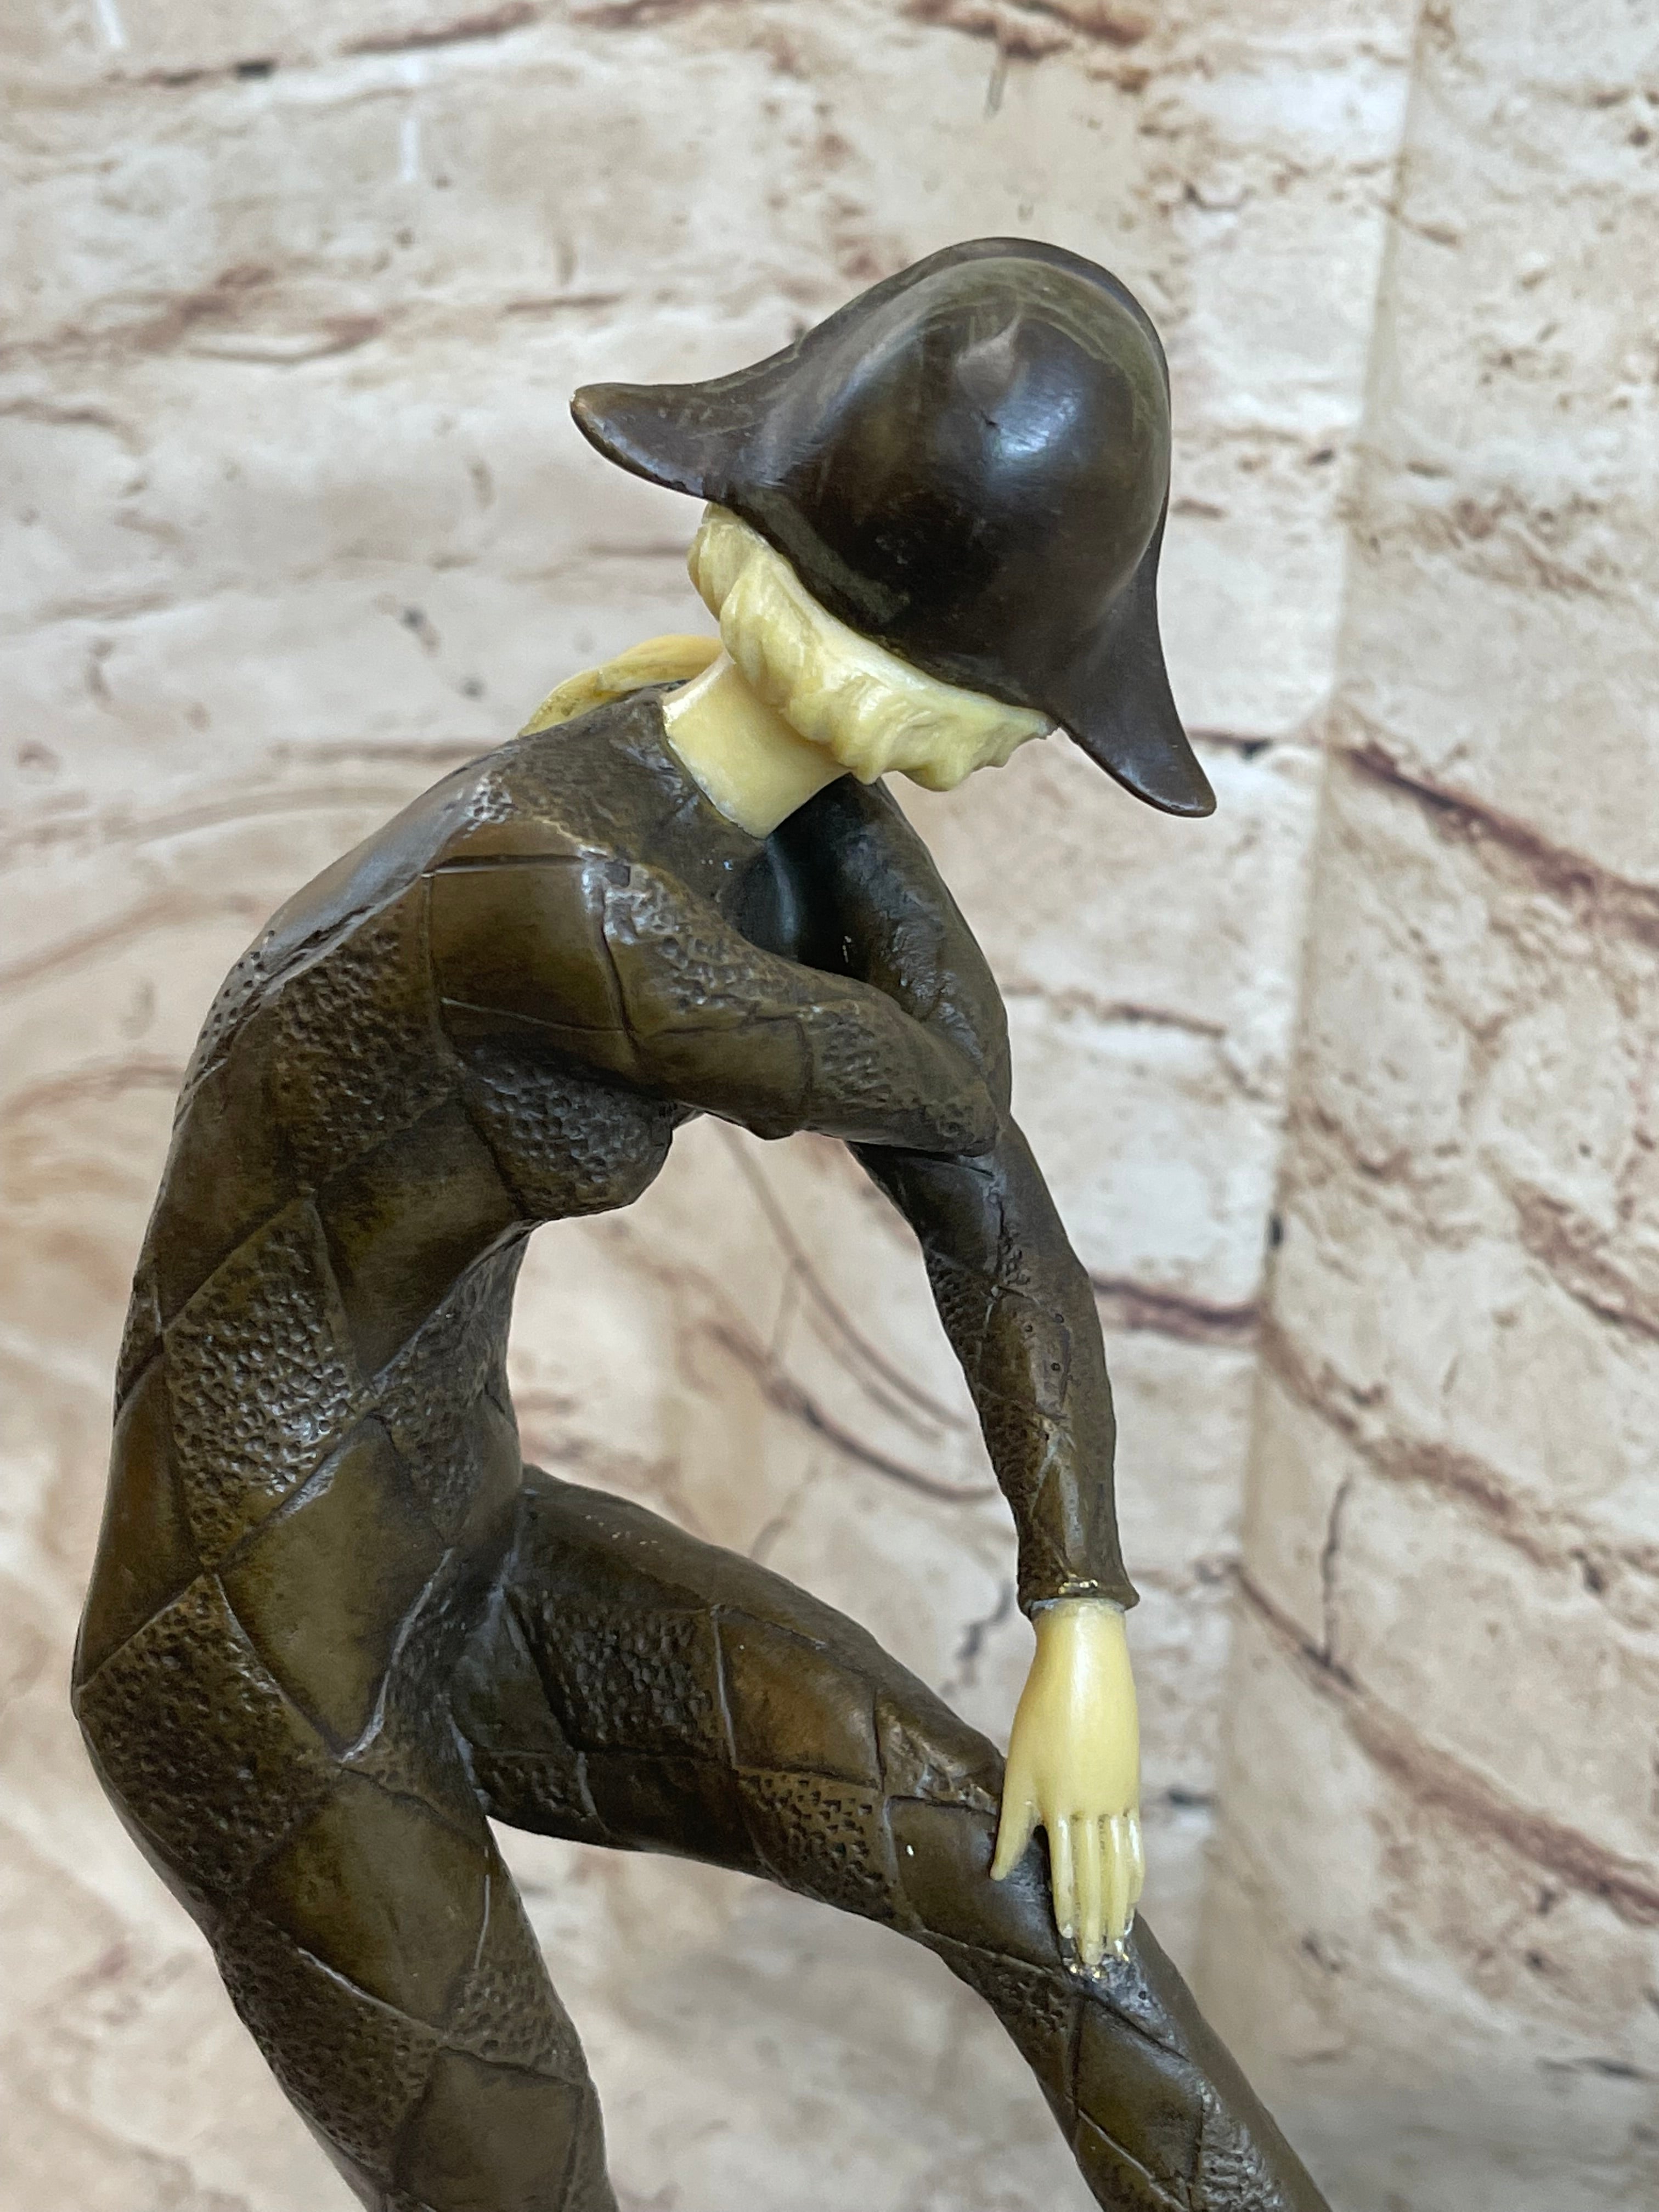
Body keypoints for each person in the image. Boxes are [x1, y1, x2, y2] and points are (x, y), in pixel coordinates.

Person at [74, 239, 1328, 2211]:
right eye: (1038, 704)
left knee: (1017, 1881)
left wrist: (1080, 1612)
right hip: (247, 1653)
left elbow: (991, 1213)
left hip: (464, 1550)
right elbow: (955, 1098)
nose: (1030, 747)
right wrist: (848, 807)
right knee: (524, 2174)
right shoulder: (549, 893)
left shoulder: (754, 830)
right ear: (938, 699)